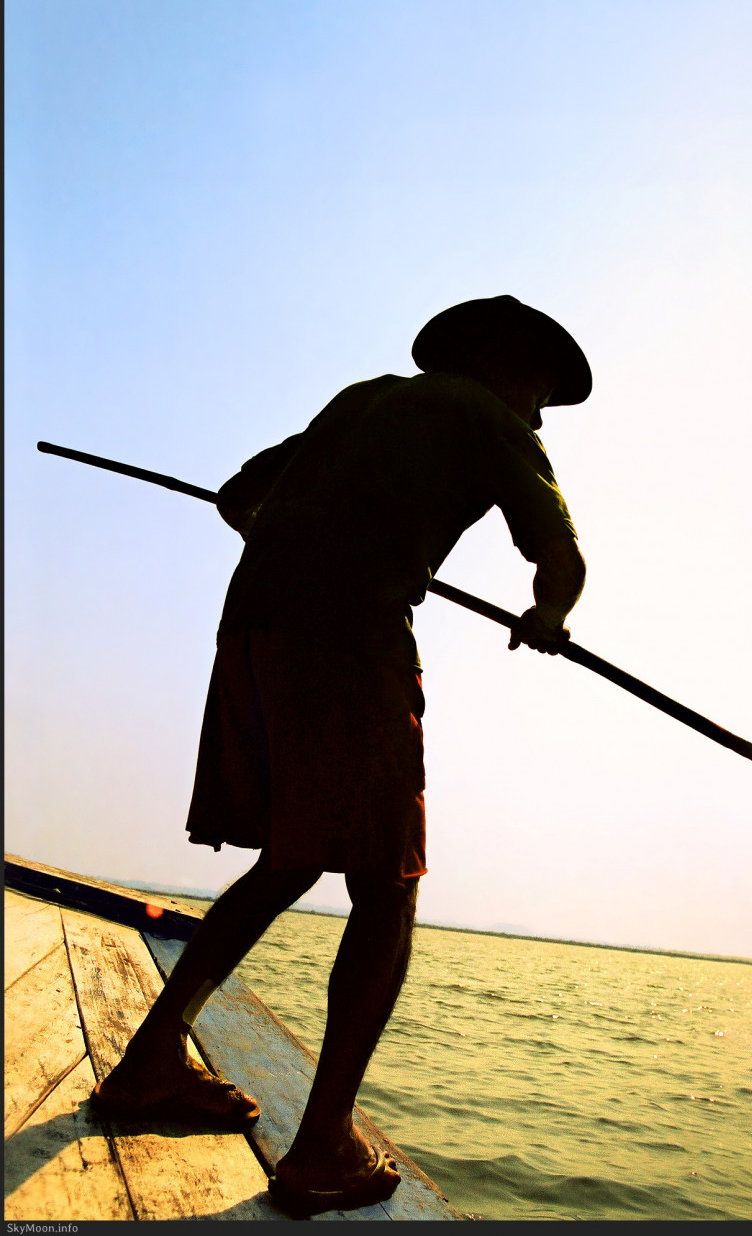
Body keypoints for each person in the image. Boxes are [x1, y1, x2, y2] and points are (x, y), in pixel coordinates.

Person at [91, 295, 590, 1215]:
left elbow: (239, 494)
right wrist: (549, 616)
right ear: (505, 365)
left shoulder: (363, 398)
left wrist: (322, 538)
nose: (538, 416)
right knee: (387, 882)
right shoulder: (487, 417)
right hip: (349, 640)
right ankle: (324, 1143)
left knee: (289, 857)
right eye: (541, 394)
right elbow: (559, 556)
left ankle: (151, 1061)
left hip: (254, 628)